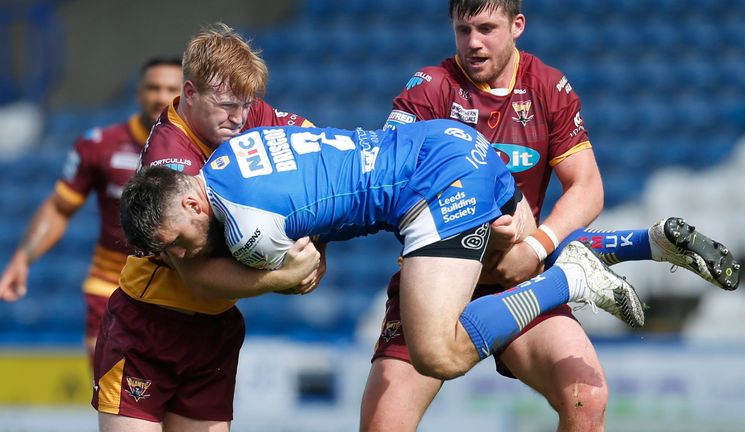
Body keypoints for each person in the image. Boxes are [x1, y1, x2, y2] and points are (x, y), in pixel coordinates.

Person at [360, 1, 741, 431]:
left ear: (517, 25)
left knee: (587, 398)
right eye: (463, 30)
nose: (474, 43)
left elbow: (588, 187)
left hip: (516, 280)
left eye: (487, 28)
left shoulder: (548, 87)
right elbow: (387, 180)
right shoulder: (431, 87)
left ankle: (608, 255)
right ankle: (623, 250)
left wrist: (535, 245)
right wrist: (479, 219)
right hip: (436, 282)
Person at [119, 120, 645, 392]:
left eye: (175, 241)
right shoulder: (231, 152)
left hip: (432, 187)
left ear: (192, 202)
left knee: (438, 353)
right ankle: (639, 243)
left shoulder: (247, 232)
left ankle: (572, 279)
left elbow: (302, 272)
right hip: (451, 142)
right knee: (509, 266)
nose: (179, 255)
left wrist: (276, 279)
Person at [91, 24, 321, 432]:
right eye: (227, 105)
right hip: (149, 325)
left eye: (247, 105)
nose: (240, 118)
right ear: (191, 93)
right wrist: (284, 274)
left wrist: (317, 246)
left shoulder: (245, 112)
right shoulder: (169, 159)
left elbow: (322, 159)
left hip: (215, 329)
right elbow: (197, 275)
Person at [0, 57, 182, 364]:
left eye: (170, 89)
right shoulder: (101, 145)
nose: (161, 97)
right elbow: (60, 208)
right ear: (138, 93)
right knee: (111, 393)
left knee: (169, 403)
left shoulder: (203, 148)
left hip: (179, 285)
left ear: (186, 94)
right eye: (152, 87)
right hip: (111, 284)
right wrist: (23, 257)